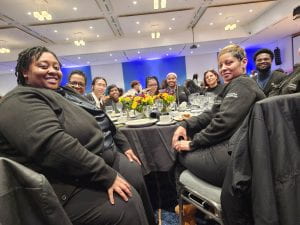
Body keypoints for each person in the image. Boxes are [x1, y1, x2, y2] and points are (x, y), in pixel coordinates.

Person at [0, 46, 156, 225]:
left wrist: (123, 146)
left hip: (95, 159)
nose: (52, 71)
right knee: (127, 204)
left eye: (57, 67)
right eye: (43, 66)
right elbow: (53, 146)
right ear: (25, 71)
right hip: (61, 183)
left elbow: (100, 117)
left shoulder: (59, 93)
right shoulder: (19, 100)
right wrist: (106, 174)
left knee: (134, 171)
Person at [172, 44, 265, 188]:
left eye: (229, 63)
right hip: (235, 149)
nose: (223, 69)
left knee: (178, 152)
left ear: (244, 62)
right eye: (220, 65)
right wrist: (186, 124)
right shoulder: (234, 85)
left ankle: (191, 206)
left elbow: (223, 122)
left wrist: (193, 143)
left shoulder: (242, 84)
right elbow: (211, 114)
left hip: (239, 158)